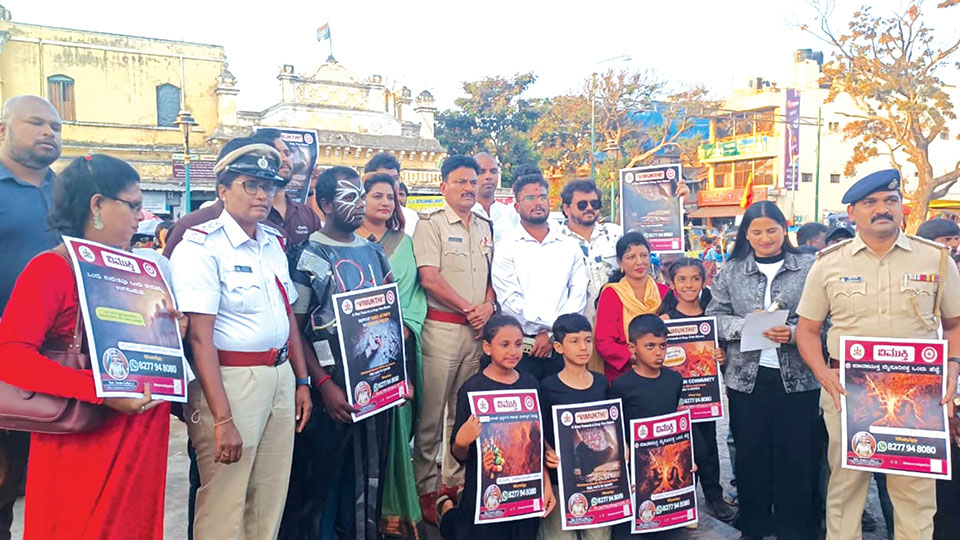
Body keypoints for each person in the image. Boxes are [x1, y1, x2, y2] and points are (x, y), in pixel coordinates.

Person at [0, 154, 171, 538]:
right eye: (133, 205)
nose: (140, 217)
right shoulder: (51, 268)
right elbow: (10, 356)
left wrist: (166, 332)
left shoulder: (136, 271)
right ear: (96, 204)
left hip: (140, 430)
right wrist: (99, 391)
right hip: (82, 437)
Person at [795, 169, 960, 540]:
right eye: (870, 203)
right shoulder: (828, 263)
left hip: (917, 393)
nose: (882, 209)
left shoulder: (935, 260)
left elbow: (954, 324)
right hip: (846, 391)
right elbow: (806, 330)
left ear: (902, 207)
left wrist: (952, 365)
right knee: (847, 486)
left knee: (915, 491)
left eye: (890, 200)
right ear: (852, 213)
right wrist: (823, 374)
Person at [170, 138, 313, 540]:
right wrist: (223, 419)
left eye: (268, 186)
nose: (262, 195)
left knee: (268, 499)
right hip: (231, 383)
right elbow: (199, 338)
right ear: (222, 190)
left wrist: (301, 381)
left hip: (279, 375)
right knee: (224, 501)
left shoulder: (272, 243)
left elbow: (287, 315)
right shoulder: (200, 246)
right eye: (250, 184)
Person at [284, 165, 408, 540]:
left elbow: (390, 317)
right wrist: (322, 385)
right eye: (347, 197)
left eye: (360, 195)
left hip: (376, 392)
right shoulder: (308, 257)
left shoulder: (373, 252)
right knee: (322, 482)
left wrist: (399, 379)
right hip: (331, 394)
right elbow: (297, 329)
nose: (357, 205)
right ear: (324, 204)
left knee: (368, 477)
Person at [705, 200, 819, 540]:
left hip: (798, 379)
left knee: (797, 458)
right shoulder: (732, 270)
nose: (765, 237)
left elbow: (827, 319)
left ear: (785, 230)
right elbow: (714, 316)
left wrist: (795, 333)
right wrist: (745, 326)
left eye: (772, 229)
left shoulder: (809, 266)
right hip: (746, 380)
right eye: (756, 231)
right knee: (750, 457)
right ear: (746, 235)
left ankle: (796, 530)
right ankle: (754, 527)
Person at [412, 155, 496, 523]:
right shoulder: (430, 224)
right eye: (460, 182)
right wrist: (468, 307)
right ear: (443, 185)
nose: (468, 188)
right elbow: (429, 278)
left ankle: (453, 482)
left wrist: (488, 307)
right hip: (442, 329)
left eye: (473, 183)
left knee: (460, 413)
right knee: (431, 416)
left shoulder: (484, 225)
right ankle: (425, 488)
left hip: (476, 332)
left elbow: (495, 277)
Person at [0, 95, 63, 537]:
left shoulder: (68, 191)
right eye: (35, 123)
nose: (48, 132)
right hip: (5, 359)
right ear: (3, 128)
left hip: (59, 364)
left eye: (55, 126)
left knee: (49, 484)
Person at [436, 314, 557, 539]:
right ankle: (448, 512)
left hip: (524, 492)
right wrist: (463, 440)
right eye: (505, 344)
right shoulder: (472, 389)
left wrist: (546, 481)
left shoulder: (530, 384)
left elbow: (536, 441)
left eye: (518, 344)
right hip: (487, 493)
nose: (513, 351)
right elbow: (459, 454)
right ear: (487, 347)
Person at [355, 171, 428, 536]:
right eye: (377, 196)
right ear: (360, 200)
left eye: (392, 197)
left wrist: (401, 328)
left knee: (398, 425)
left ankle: (397, 512)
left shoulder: (406, 243)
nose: (386, 203)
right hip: (357, 355)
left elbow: (415, 295)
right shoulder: (347, 243)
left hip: (397, 349)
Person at [657, 258, 735, 522]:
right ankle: (680, 498)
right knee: (679, 449)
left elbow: (723, 349)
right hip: (675, 398)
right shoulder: (665, 319)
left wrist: (720, 355)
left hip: (703, 395)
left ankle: (713, 496)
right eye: (682, 279)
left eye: (695, 279)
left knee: (708, 448)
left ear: (704, 282)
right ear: (671, 284)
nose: (689, 285)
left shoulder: (712, 316)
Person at [492, 173, 588, 380]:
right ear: (517, 207)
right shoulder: (506, 247)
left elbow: (579, 293)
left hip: (563, 344)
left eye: (543, 197)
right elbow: (509, 300)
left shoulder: (569, 246)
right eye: (530, 198)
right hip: (523, 346)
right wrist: (541, 332)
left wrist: (553, 334)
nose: (538, 203)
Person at [607, 314, 683, 540]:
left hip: (666, 471)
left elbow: (675, 421)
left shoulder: (674, 380)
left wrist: (686, 455)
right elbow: (615, 428)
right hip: (634, 474)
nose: (658, 352)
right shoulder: (621, 386)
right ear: (633, 347)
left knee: (667, 531)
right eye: (650, 346)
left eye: (662, 346)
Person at [539, 313, 610, 540]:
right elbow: (539, 430)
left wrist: (623, 446)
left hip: (598, 481)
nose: (583, 347)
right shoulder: (547, 387)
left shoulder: (601, 383)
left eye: (588, 341)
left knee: (598, 536)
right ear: (558, 347)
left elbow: (611, 425)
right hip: (560, 478)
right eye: (575, 341)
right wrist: (547, 450)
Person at [594, 232, 670, 383]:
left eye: (644, 255)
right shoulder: (611, 293)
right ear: (620, 262)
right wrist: (639, 359)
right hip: (625, 374)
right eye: (631, 257)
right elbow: (604, 341)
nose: (639, 262)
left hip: (662, 370)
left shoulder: (664, 292)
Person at [559, 180, 623, 322]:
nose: (589, 208)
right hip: (575, 329)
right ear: (566, 208)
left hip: (616, 324)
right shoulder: (555, 241)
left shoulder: (616, 235)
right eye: (582, 205)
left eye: (594, 204)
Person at [253, 129, 323, 248]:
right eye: (275, 152)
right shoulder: (250, 212)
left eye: (287, 153)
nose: (284, 159)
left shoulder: (306, 215)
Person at [365, 152, 418, 236]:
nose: (391, 184)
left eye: (395, 179)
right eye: (385, 178)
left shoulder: (411, 217)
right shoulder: (356, 217)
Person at [471, 152, 519, 243]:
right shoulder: (465, 214)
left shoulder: (511, 214)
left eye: (493, 171)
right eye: (482, 172)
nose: (489, 177)